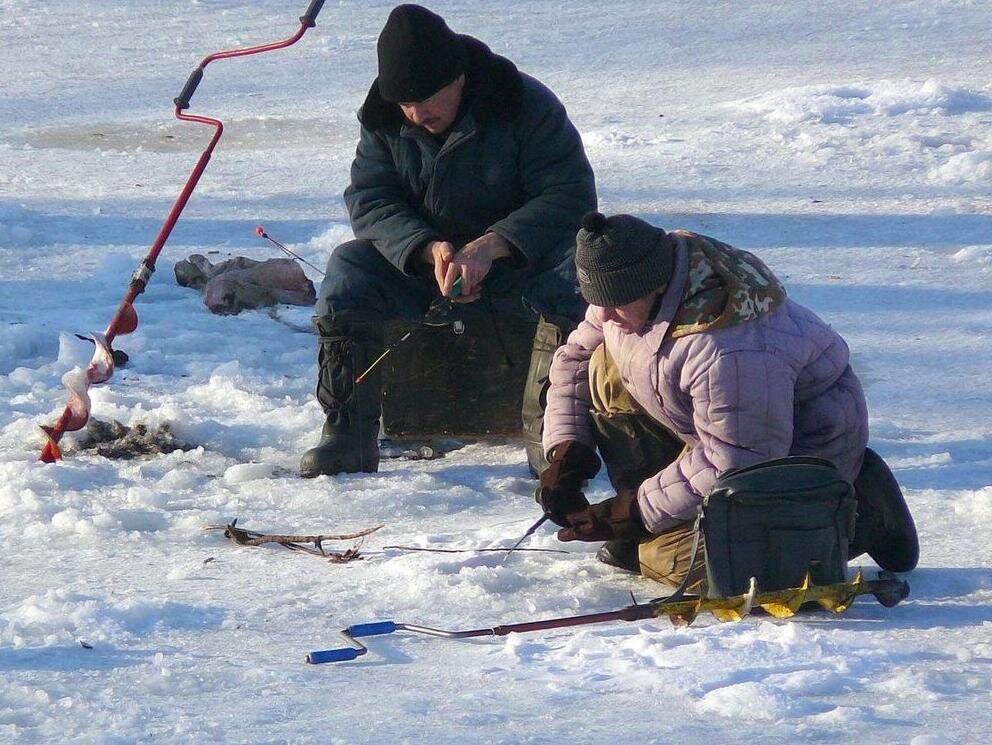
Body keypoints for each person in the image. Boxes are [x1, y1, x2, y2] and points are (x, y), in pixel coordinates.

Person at [538, 212, 919, 590]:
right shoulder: (631, 288)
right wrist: (566, 454)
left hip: (790, 456)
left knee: (672, 562)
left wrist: (632, 513)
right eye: (596, 300)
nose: (603, 314)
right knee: (601, 364)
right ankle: (658, 518)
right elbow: (573, 359)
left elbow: (737, 460)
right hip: (720, 428)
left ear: (652, 285)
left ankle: (857, 517)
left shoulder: (728, 348)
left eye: (615, 302)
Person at [301, 4, 596, 477]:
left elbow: (570, 196)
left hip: (520, 272)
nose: (417, 115)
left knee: (578, 268)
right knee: (348, 268)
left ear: (458, 76)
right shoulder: (383, 118)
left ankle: (554, 435)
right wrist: (425, 247)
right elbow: (370, 198)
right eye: (406, 104)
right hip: (427, 277)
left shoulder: (522, 103)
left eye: (428, 99)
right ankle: (347, 432)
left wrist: (494, 244)